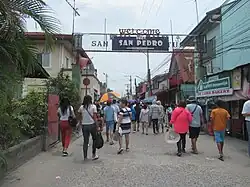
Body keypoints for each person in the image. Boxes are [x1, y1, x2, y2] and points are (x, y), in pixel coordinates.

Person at [78, 95, 99, 160]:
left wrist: (80, 122)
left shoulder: (81, 107)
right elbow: (95, 118)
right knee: (94, 139)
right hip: (92, 125)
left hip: (84, 125)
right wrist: (97, 125)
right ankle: (93, 154)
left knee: (85, 141)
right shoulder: (93, 107)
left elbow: (79, 116)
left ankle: (85, 157)